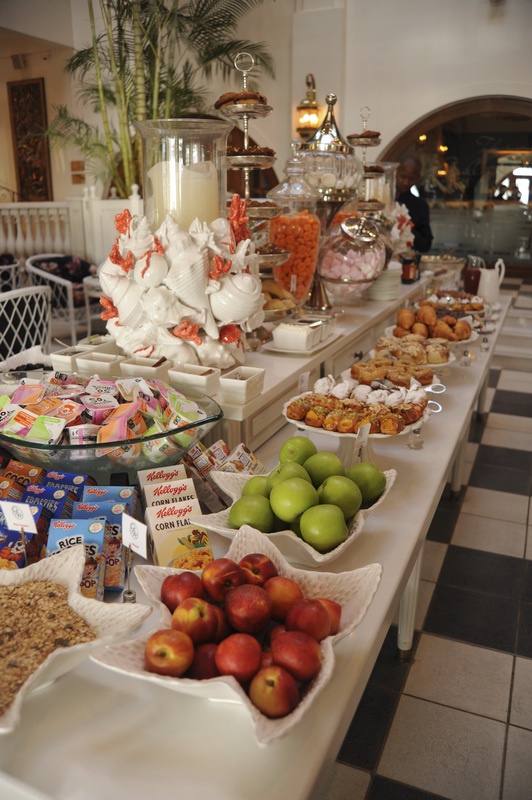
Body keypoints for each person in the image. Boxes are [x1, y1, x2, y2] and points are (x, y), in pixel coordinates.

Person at [395, 156, 433, 253]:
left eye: (411, 179)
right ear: (395, 173)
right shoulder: (383, 199)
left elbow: (425, 245)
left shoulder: (420, 206)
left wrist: (407, 226)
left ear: (417, 178)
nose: (406, 182)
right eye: (402, 177)